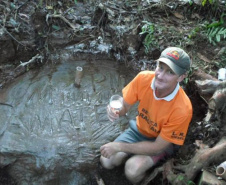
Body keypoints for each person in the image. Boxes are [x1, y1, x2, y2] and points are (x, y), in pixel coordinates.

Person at [100, 47, 193, 184]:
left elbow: (157, 147)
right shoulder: (143, 78)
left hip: (162, 143)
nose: (160, 76)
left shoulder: (183, 109)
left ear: (181, 77)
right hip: (139, 131)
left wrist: (119, 147)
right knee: (106, 160)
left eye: (170, 72)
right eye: (160, 67)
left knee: (132, 170)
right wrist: (117, 111)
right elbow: (124, 106)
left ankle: (149, 179)